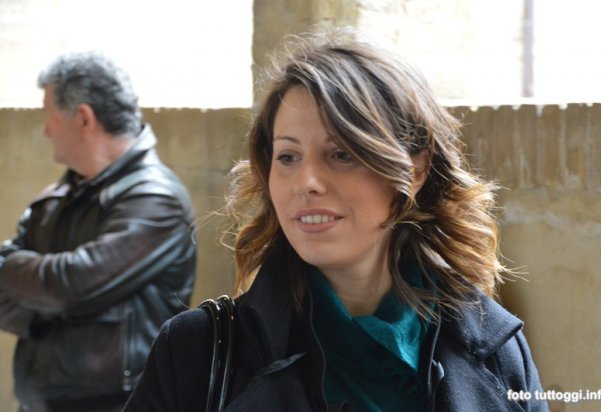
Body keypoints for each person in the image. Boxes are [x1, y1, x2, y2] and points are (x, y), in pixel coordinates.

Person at [124, 30, 548, 412]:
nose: (306, 182)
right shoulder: (195, 353)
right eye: (288, 156)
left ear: (414, 170)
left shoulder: (496, 347)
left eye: (341, 154)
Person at [0, 51, 196, 412]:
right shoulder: (57, 197)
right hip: (40, 402)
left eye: (48, 115)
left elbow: (68, 285)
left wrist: (32, 287)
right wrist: (48, 294)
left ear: (83, 118)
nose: (45, 130)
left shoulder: (156, 199)